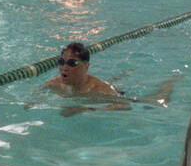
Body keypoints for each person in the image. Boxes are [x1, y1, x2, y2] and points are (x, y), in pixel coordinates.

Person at [40, 42, 178, 116]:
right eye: (61, 62)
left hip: (118, 95)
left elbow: (124, 106)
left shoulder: (99, 90)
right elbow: (37, 96)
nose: (64, 67)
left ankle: (167, 85)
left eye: (72, 63)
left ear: (86, 67)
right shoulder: (53, 84)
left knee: (155, 103)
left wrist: (86, 109)